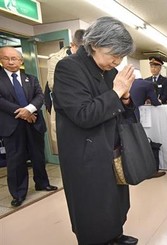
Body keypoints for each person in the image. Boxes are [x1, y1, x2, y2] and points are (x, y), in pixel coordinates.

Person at [53, 17, 138, 245]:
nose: (117, 61)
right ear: (96, 44)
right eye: (114, 55)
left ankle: (115, 235)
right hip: (85, 155)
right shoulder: (69, 68)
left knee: (115, 201)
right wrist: (117, 92)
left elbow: (118, 108)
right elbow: (84, 114)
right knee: (92, 208)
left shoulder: (109, 70)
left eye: (121, 56)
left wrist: (126, 98)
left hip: (111, 149)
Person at [0, 47, 57, 208]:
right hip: (12, 126)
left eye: (14, 58)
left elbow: (40, 96)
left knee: (38, 156)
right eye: (6, 58)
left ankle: (42, 183)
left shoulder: (31, 79)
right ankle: (18, 193)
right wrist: (23, 112)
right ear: (1, 60)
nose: (11, 62)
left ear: (21, 61)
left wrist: (30, 109)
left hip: (34, 123)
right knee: (16, 160)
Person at [46, 29, 85, 152]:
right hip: (66, 108)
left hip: (85, 108)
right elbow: (54, 85)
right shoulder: (56, 59)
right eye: (82, 49)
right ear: (73, 45)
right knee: (69, 148)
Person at [129, 71, 166, 179]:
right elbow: (155, 102)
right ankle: (149, 171)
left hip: (123, 112)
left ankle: (135, 170)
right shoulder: (149, 85)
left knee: (131, 143)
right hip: (133, 114)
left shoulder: (134, 82)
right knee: (140, 142)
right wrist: (156, 99)